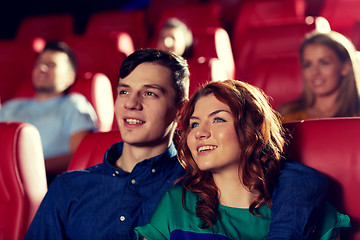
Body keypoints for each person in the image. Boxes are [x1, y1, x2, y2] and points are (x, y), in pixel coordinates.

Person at [27, 49, 327, 240]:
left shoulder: (200, 177)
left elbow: (294, 177)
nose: (131, 104)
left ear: (180, 111)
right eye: (124, 91)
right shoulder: (69, 187)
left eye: (149, 94)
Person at [135, 80, 351, 239]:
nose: (200, 132)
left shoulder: (305, 208)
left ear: (251, 130)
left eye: (218, 119)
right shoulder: (176, 204)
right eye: (194, 124)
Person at [0, 41, 98, 183]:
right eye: (39, 63)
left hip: (47, 180)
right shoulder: (12, 105)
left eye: (51, 65)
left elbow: (79, 156)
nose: (42, 68)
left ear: (69, 78)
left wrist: (25, 169)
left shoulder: (73, 104)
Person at [278, 30, 360, 122]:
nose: (315, 72)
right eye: (308, 64)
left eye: (324, 63)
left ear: (345, 67)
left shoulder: (356, 116)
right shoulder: (286, 116)